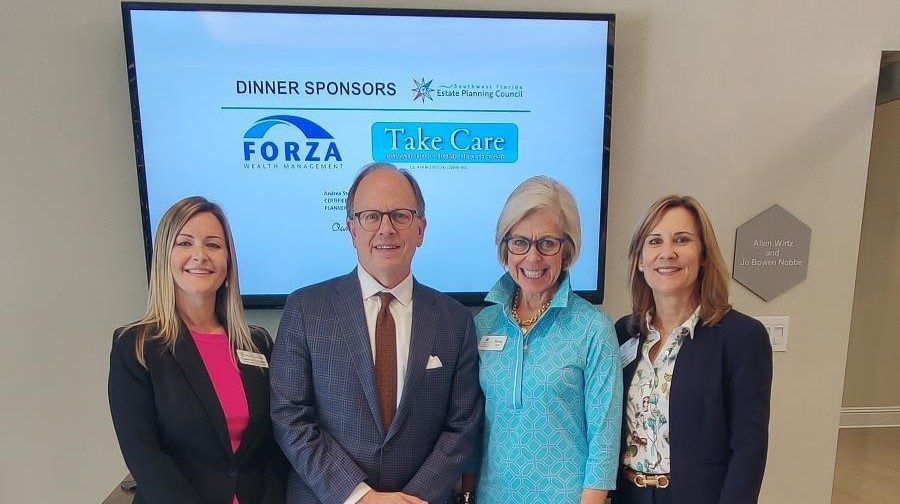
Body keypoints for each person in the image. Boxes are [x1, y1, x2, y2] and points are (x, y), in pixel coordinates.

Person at [270, 163, 483, 504]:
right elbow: (290, 416)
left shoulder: (455, 320)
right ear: (352, 229)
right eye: (371, 216)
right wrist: (360, 497)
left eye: (400, 215)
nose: (386, 229)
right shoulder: (305, 310)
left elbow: (462, 427)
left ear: (421, 229)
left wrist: (410, 500)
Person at [109, 196, 287, 504]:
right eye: (185, 243)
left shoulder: (258, 344)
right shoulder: (136, 347)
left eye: (213, 245)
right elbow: (144, 455)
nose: (200, 256)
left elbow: (276, 443)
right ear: (164, 257)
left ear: (228, 261)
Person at [612, 195, 773, 504]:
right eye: (655, 241)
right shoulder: (624, 332)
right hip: (629, 495)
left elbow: (749, 449)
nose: (667, 253)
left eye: (682, 239)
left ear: (703, 255)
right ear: (640, 260)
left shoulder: (741, 337)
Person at [473, 176, 623, 504]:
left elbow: (605, 439)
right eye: (520, 242)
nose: (532, 257)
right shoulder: (483, 325)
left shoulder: (593, 329)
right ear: (505, 247)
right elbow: (474, 428)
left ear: (566, 250)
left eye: (547, 243)